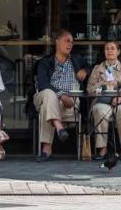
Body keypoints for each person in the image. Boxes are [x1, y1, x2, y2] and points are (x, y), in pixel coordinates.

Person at [33, 29, 88, 161]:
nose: (70, 44)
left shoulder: (77, 60)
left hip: (71, 102)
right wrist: (62, 95)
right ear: (57, 42)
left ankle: (46, 150)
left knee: (47, 108)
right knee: (49, 94)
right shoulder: (45, 62)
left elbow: (93, 68)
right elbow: (42, 83)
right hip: (46, 97)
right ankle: (59, 127)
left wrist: (85, 70)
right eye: (67, 41)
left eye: (72, 42)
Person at [86, 40, 121, 160]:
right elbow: (89, 89)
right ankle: (102, 149)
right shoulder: (97, 69)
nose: (109, 51)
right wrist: (103, 83)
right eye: (107, 48)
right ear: (104, 52)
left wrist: (120, 95)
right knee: (99, 110)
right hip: (103, 100)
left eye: (112, 48)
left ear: (118, 52)